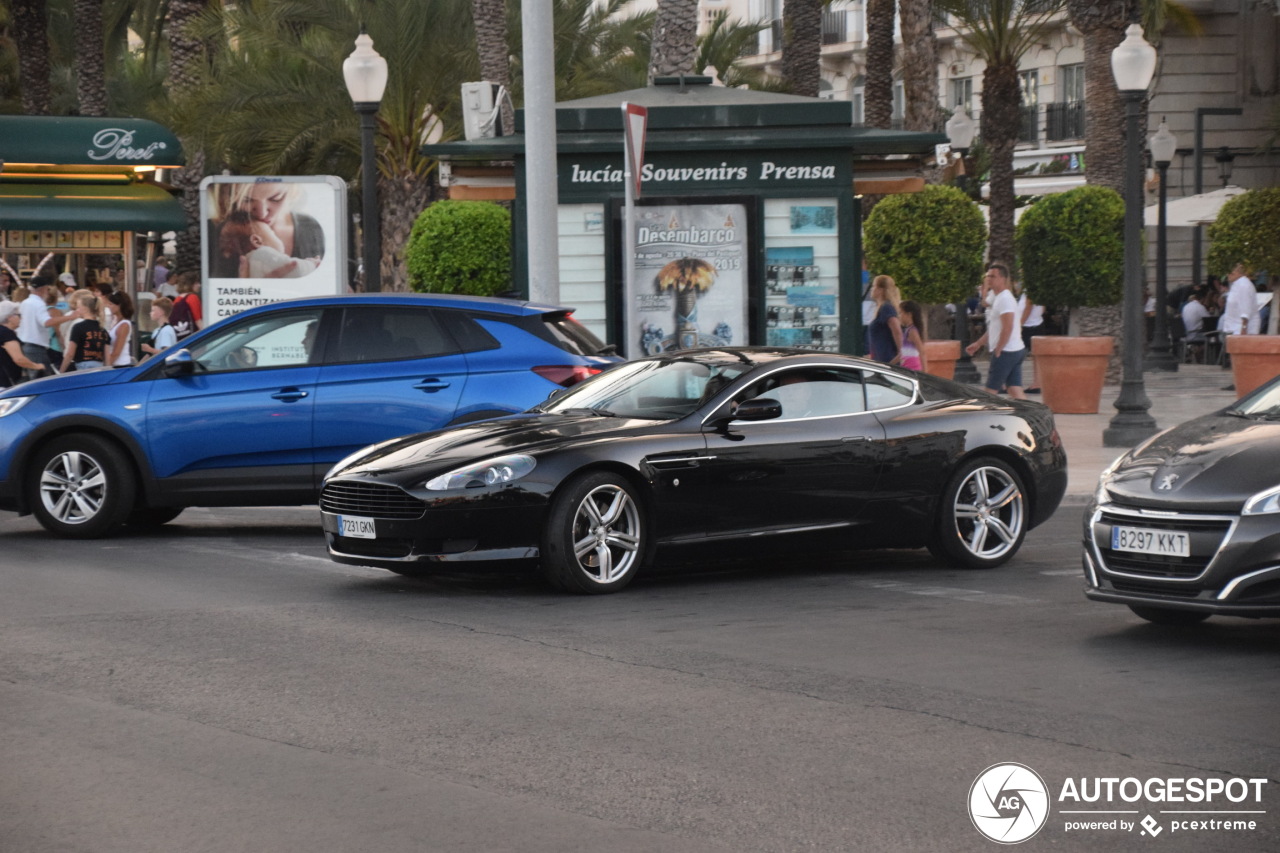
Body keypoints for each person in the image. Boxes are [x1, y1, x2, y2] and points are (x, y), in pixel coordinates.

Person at [207, 182, 324, 278]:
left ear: (292, 190)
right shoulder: (209, 232)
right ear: (227, 196)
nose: (262, 213)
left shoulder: (313, 227)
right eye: (246, 200)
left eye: (276, 198)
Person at [966, 262, 1026, 400]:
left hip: (1007, 351)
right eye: (987, 276)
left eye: (992, 276)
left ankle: (980, 420)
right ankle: (1032, 418)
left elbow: (1008, 326)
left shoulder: (1005, 299)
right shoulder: (997, 296)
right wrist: (978, 343)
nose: (988, 279)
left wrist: (999, 349)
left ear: (1002, 278)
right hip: (1013, 350)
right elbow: (994, 326)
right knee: (1014, 389)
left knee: (989, 392)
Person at [218, 209, 320, 278]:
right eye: (272, 232)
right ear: (257, 241)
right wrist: (312, 264)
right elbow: (296, 268)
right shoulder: (262, 253)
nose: (276, 235)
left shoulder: (250, 263)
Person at [17, 275, 76, 379]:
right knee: (42, 380)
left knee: (33, 379)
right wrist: (71, 317)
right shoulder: (39, 304)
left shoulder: (25, 303)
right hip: (36, 348)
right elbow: (47, 322)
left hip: (25, 346)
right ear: (43, 289)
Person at [59, 295, 110, 372]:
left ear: (85, 309)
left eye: (79, 307)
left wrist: (61, 371)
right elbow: (107, 357)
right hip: (99, 366)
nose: (77, 310)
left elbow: (70, 354)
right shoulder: (103, 330)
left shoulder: (78, 327)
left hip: (83, 366)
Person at [0, 301, 43, 386]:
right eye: (19, 315)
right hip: (6, 383)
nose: (21, 318)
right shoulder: (6, 333)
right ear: (10, 317)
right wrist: (37, 366)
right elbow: (19, 359)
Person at [866, 274, 902, 364]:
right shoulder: (881, 308)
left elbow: (897, 330)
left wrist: (901, 353)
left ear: (880, 290)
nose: (872, 289)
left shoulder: (886, 308)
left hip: (888, 361)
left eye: (874, 286)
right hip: (880, 361)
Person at [1017, 284, 1045, 393]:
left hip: (1028, 326)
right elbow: (1042, 308)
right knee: (1036, 355)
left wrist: (1020, 325)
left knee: (1015, 354)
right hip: (1037, 323)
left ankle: (1010, 383)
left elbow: (1028, 307)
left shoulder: (1030, 289)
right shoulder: (1038, 288)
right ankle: (1037, 383)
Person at [1221, 263, 1260, 337]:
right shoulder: (1236, 284)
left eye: (1231, 272)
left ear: (1239, 273)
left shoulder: (1243, 285)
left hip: (1239, 331)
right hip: (1233, 330)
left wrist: (1243, 329)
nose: (1228, 275)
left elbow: (1245, 310)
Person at [1181, 286, 1212, 362]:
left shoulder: (1186, 307)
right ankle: (1201, 355)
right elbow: (1208, 320)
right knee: (1211, 338)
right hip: (1196, 334)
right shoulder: (1200, 307)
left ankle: (1195, 353)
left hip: (1186, 334)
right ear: (1202, 299)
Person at [106, 290, 136, 368]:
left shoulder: (124, 325)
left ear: (119, 306)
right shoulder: (116, 322)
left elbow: (117, 352)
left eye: (111, 304)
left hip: (121, 365)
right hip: (116, 365)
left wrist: (106, 366)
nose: (108, 306)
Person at [897, 300, 928, 373]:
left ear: (909, 314)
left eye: (901, 313)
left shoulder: (912, 331)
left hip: (912, 369)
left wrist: (925, 373)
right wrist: (890, 364)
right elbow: (903, 353)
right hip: (906, 368)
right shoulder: (908, 330)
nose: (899, 316)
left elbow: (922, 353)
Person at [170, 272, 203, 340]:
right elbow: (198, 320)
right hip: (194, 335)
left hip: (182, 335)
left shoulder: (177, 299)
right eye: (196, 283)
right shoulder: (192, 297)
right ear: (190, 285)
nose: (199, 285)